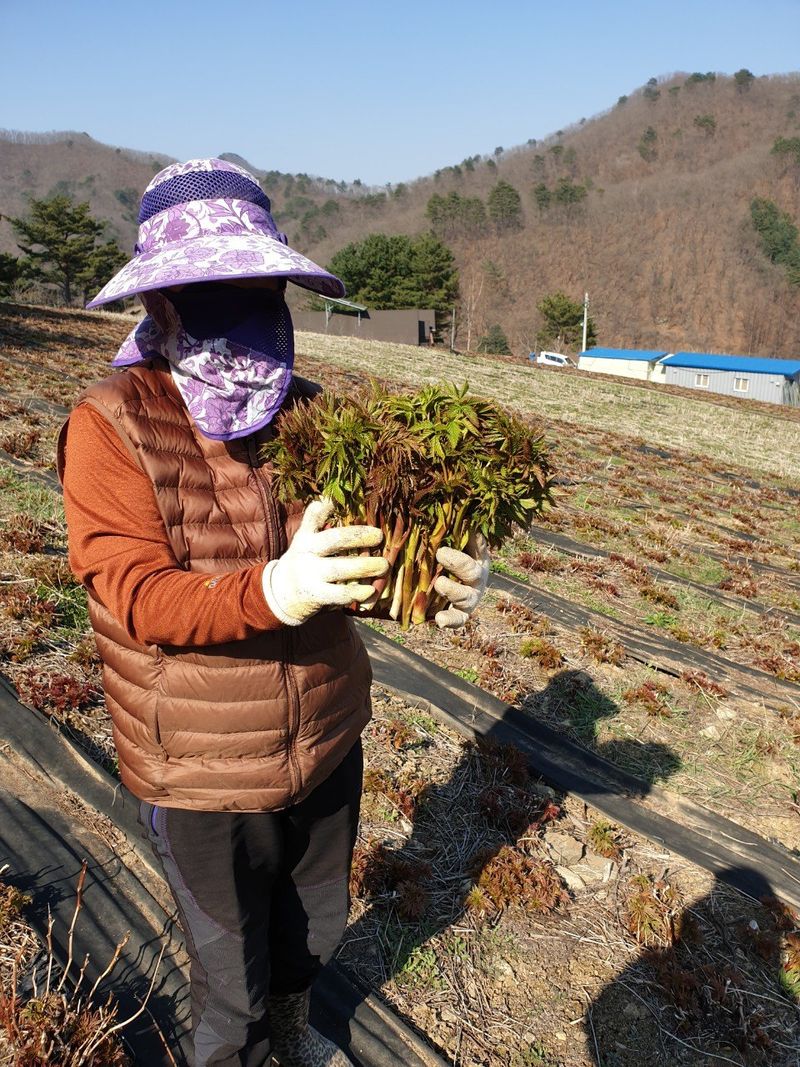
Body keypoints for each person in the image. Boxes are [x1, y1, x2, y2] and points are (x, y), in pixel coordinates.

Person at [58, 158, 489, 1067]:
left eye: (257, 284)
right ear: (162, 304)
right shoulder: (111, 423)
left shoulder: (309, 414)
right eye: (210, 289)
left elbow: (349, 564)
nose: (243, 305)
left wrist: (426, 589)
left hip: (326, 739)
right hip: (204, 768)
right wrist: (270, 591)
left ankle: (293, 1032)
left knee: (310, 938)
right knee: (231, 991)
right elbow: (133, 593)